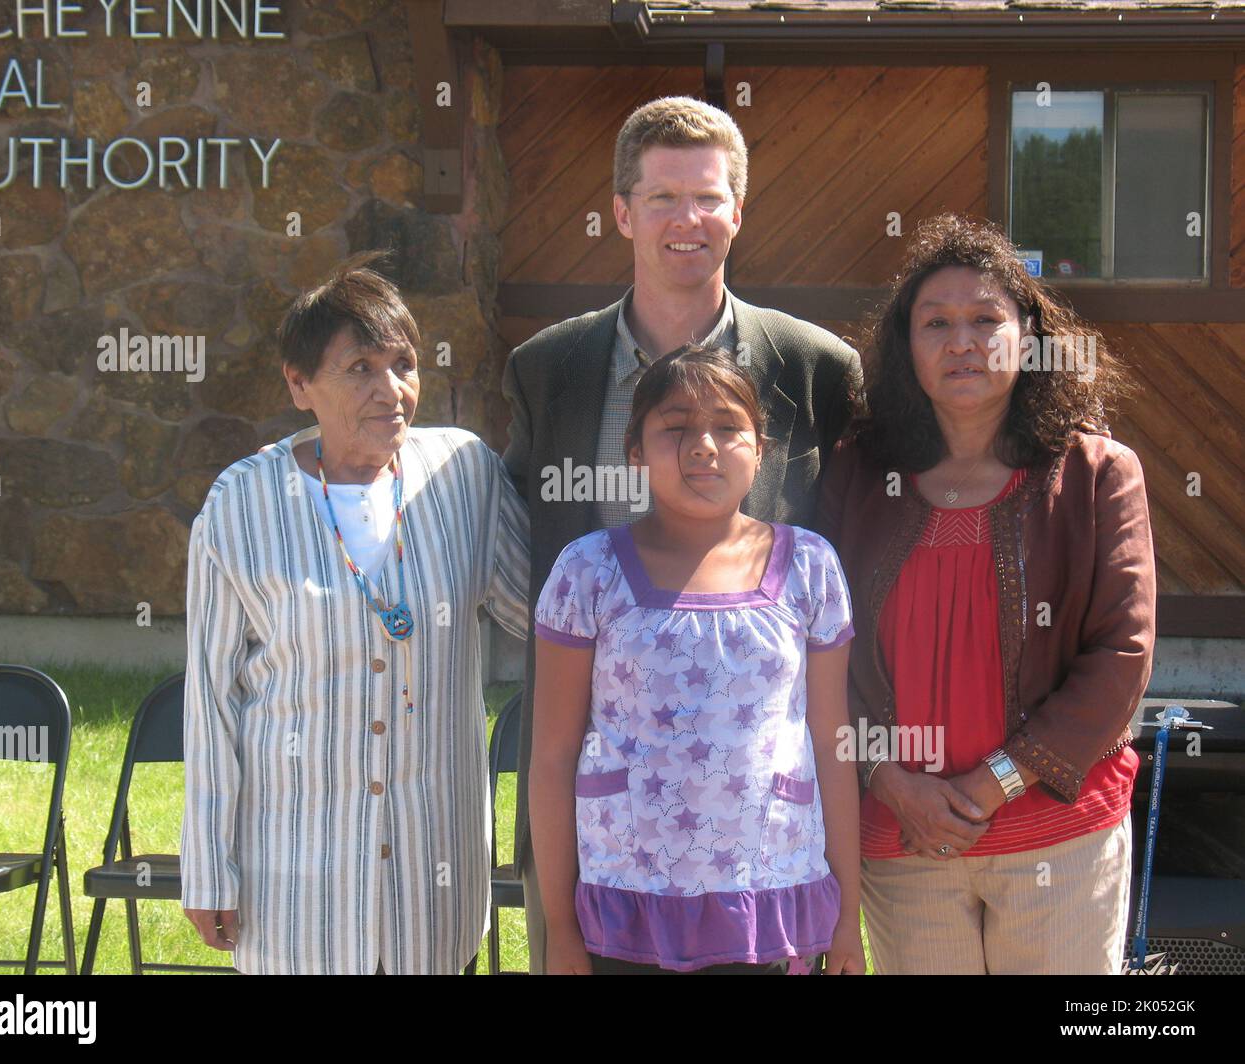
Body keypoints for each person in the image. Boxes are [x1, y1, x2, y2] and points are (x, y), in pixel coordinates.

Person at [502, 94, 861, 973]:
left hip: (756, 842)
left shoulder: (817, 370)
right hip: (597, 818)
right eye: (662, 197)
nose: (686, 220)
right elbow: (521, 538)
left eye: (707, 197)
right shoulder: (545, 368)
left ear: (738, 211)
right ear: (622, 212)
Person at [815, 214, 1156, 975]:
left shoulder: (1098, 475)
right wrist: (887, 779)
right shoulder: (859, 475)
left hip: (1057, 836)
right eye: (935, 323)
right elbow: (820, 649)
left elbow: (1121, 656)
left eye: (985, 319)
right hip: (904, 836)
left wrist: (994, 782)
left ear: (1028, 336)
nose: (961, 341)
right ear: (907, 347)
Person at [179, 252, 530, 974]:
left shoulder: (465, 475)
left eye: (404, 364)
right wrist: (209, 866)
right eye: (361, 368)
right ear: (299, 384)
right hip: (298, 872)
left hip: (432, 867)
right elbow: (214, 697)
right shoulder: (240, 504)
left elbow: (548, 614)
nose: (392, 390)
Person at [529, 345, 865, 975]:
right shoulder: (588, 572)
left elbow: (831, 743)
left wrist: (845, 917)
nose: (704, 445)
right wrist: (560, 931)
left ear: (761, 448)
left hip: (767, 899)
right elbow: (551, 754)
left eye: (728, 426)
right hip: (626, 909)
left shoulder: (810, 569)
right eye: (676, 428)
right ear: (635, 454)